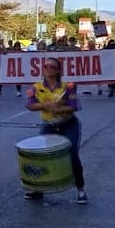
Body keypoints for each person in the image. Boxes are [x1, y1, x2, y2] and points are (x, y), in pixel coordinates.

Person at [25, 57, 88, 204]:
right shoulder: (36, 87)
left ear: (58, 70)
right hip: (49, 124)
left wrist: (58, 109)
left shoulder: (67, 87)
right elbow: (29, 105)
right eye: (46, 66)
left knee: (72, 154)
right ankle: (38, 189)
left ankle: (80, 188)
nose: (48, 69)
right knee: (40, 154)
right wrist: (46, 106)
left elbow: (74, 106)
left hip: (68, 123)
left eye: (52, 67)